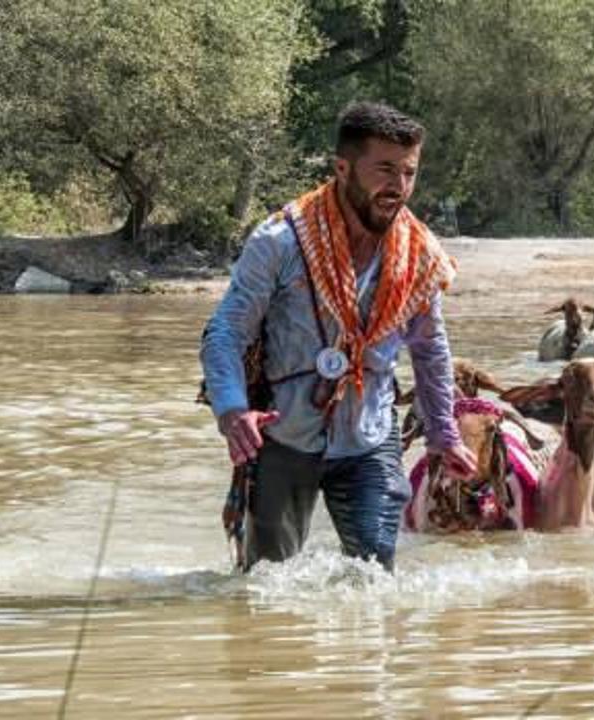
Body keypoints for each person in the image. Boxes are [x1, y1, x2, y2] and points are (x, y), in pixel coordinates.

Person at [200, 101, 477, 572]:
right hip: (283, 433)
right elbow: (225, 331)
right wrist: (232, 411)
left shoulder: (420, 254)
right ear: (342, 167)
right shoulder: (280, 241)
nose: (399, 187)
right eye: (385, 170)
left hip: (369, 435)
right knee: (266, 583)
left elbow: (430, 350)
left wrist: (443, 434)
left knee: (374, 575)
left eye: (409, 173)